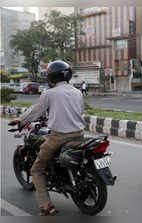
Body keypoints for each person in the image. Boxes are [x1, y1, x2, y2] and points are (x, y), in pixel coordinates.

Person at [9, 60, 85, 216]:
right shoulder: (78, 92)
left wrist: (21, 120)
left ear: (51, 77)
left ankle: (46, 206)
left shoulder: (49, 93)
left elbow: (34, 112)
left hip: (59, 137)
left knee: (36, 169)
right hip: (79, 135)